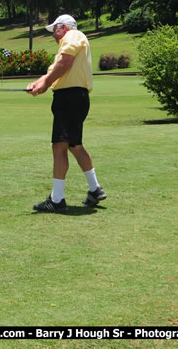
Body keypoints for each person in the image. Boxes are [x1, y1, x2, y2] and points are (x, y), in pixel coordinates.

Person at [27, 14, 106, 213]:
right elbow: (55, 70)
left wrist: (45, 83)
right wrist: (39, 83)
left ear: (63, 27)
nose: (54, 35)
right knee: (74, 145)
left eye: (54, 29)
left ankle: (57, 200)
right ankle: (95, 189)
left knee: (59, 146)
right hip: (73, 98)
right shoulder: (66, 45)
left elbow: (65, 64)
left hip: (69, 98)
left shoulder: (73, 36)